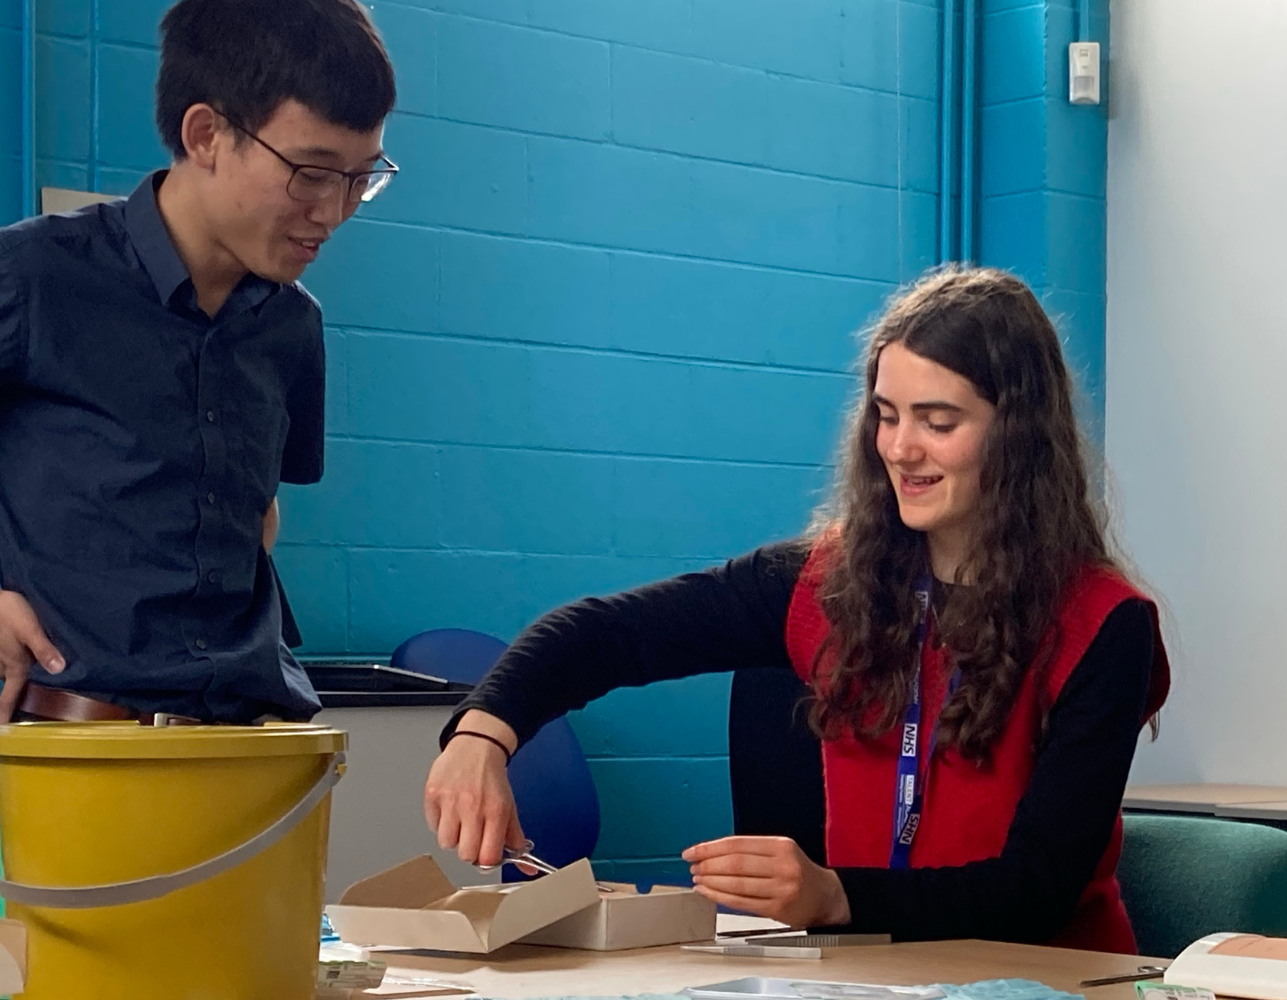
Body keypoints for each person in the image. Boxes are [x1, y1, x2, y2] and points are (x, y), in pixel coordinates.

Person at [424, 267, 1173, 952]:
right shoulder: (826, 580)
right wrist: (482, 734)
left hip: (1046, 975)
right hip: (872, 971)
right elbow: (603, 634)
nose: (900, 448)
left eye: (938, 422)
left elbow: (1038, 888)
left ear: (1017, 435)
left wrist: (835, 896)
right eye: (885, 415)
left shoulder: (1103, 623)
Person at [0, 0, 397, 723]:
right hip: (70, 742)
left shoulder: (294, 324)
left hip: (253, 738)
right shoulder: (31, 275)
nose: (334, 211)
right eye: (312, 173)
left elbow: (258, 515)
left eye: (361, 178)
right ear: (206, 134)